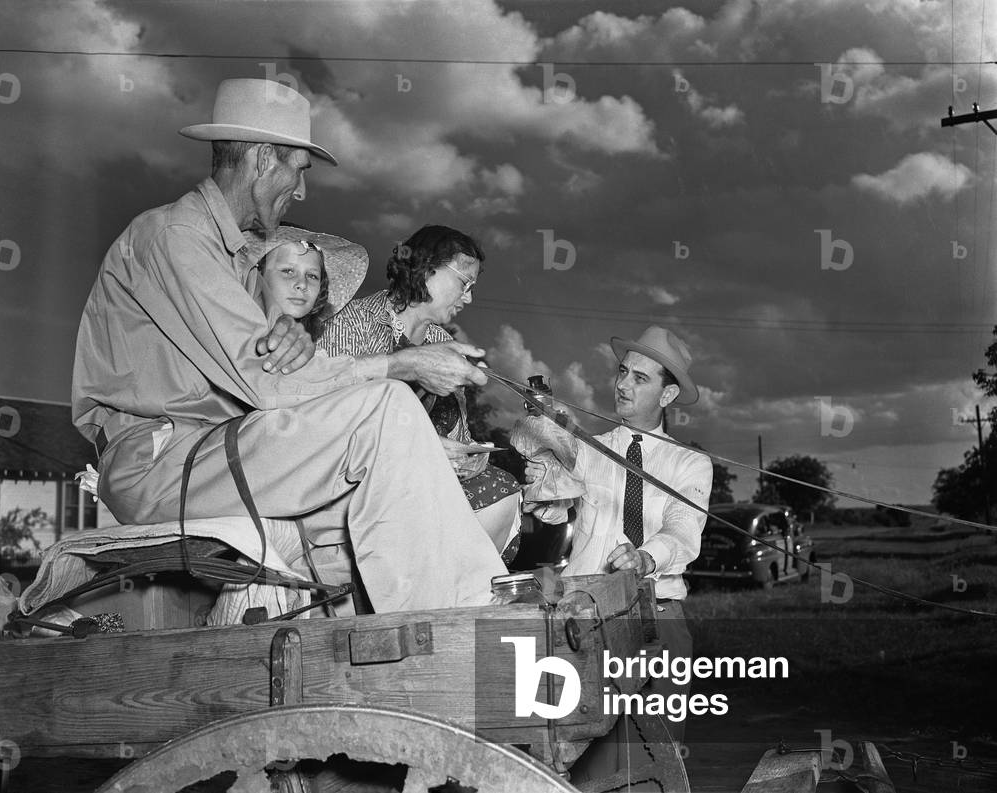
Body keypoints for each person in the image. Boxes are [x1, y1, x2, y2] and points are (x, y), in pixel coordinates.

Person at [71, 78, 507, 616]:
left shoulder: (229, 259)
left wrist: (291, 339)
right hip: (163, 463)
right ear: (259, 160)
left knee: (375, 508)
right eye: (297, 170)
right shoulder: (175, 237)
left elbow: (267, 362)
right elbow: (262, 381)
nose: (300, 191)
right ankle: (462, 624)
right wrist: (400, 364)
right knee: (387, 407)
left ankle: (410, 637)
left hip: (214, 448)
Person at [523, 325, 711, 764]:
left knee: (650, 762)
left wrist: (645, 557)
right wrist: (540, 478)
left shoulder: (691, 464)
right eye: (622, 372)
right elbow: (552, 508)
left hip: (657, 620)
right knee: (571, 760)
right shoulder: (588, 449)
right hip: (581, 620)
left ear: (667, 396)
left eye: (640, 379)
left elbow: (684, 530)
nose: (622, 385)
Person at [320, 225, 522, 563]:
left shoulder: (444, 344)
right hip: (357, 483)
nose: (469, 297)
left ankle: (444, 596)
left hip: (426, 486)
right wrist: (422, 448)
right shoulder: (351, 323)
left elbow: (459, 435)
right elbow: (332, 422)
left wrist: (466, 456)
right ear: (426, 267)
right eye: (464, 283)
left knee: (500, 488)